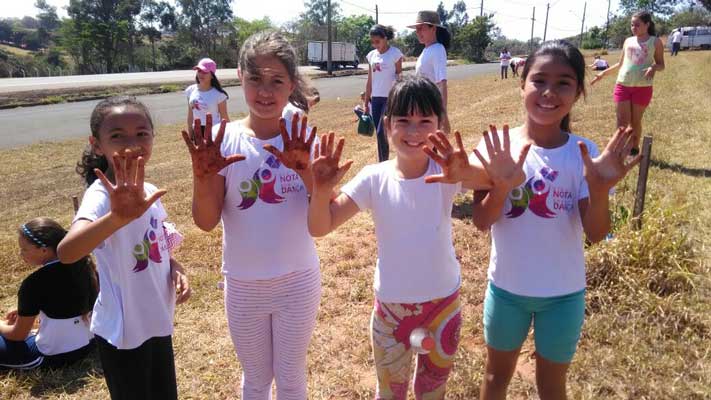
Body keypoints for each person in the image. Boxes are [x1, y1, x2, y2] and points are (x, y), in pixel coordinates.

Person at [307, 75, 528, 399]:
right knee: (390, 392)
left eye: (425, 121)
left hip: (443, 306)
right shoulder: (373, 178)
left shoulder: (447, 173)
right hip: (391, 312)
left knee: (432, 391)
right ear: (386, 124)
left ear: (440, 124)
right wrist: (321, 189)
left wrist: (465, 173)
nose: (413, 132)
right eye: (404, 121)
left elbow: (510, 180)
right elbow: (320, 227)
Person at [462, 40, 642, 400]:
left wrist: (599, 188)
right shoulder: (498, 148)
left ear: (578, 92)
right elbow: (481, 221)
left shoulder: (585, 154)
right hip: (507, 291)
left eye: (563, 82)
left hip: (564, 296)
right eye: (539, 80)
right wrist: (500, 185)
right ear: (522, 84)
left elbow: (596, 233)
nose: (548, 92)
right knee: (496, 379)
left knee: (552, 386)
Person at [182, 31, 321, 399]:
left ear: (291, 84)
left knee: (291, 379)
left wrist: (308, 171)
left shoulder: (304, 138)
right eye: (255, 78)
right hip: (243, 285)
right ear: (239, 76)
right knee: (256, 380)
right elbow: (206, 221)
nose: (265, 90)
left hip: (298, 282)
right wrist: (203, 176)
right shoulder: (220, 140)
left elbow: (320, 220)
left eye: (277, 80)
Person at [57, 97, 191, 400]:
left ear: (153, 137)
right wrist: (116, 218)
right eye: (117, 136)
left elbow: (159, 240)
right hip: (123, 333)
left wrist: (175, 267)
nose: (132, 144)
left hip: (155, 320)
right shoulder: (101, 196)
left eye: (142, 133)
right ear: (97, 144)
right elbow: (68, 252)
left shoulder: (148, 189)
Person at [0, 218, 97, 370]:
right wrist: (26, 311)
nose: (21, 254)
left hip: (51, 355)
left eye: (24, 249)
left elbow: (17, 334)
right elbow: (64, 303)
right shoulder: (84, 264)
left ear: (44, 250)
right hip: (89, 345)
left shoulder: (33, 283)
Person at [591, 11, 665, 155]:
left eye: (637, 25)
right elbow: (620, 63)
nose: (633, 27)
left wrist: (654, 67)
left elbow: (662, 65)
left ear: (647, 24)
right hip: (623, 85)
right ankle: (618, 148)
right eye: (632, 25)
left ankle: (634, 148)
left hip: (642, 88)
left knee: (635, 121)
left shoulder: (655, 42)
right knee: (621, 121)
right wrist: (602, 74)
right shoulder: (628, 41)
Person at [409, 10, 452, 134]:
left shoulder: (438, 49)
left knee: (430, 148)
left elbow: (441, 83)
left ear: (433, 28)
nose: (417, 32)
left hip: (430, 107)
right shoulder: (425, 51)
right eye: (416, 29)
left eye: (421, 28)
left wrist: (443, 115)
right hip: (421, 107)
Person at [365, 24, 403, 162]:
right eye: (373, 42)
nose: (375, 45)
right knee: (379, 133)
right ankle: (383, 162)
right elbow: (370, 80)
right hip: (376, 99)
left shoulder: (395, 54)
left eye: (378, 41)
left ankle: (390, 159)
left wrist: (399, 96)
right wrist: (366, 102)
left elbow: (400, 76)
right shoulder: (371, 56)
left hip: (390, 98)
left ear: (385, 38)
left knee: (383, 129)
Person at [186, 57, 230, 138]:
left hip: (214, 131)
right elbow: (190, 114)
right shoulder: (190, 90)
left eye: (205, 72)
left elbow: (225, 118)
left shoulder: (219, 95)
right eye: (199, 71)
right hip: (197, 131)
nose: (201, 74)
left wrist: (227, 137)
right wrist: (190, 132)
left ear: (212, 76)